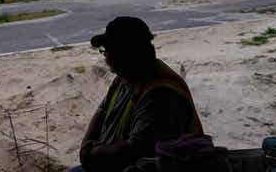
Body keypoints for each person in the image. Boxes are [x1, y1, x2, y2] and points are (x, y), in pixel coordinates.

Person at [71, 16, 204, 172]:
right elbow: (101, 113)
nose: (105, 56)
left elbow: (136, 149)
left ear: (125, 53)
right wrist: (87, 148)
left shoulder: (161, 93)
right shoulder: (123, 79)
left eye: (107, 50)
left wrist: (92, 152)